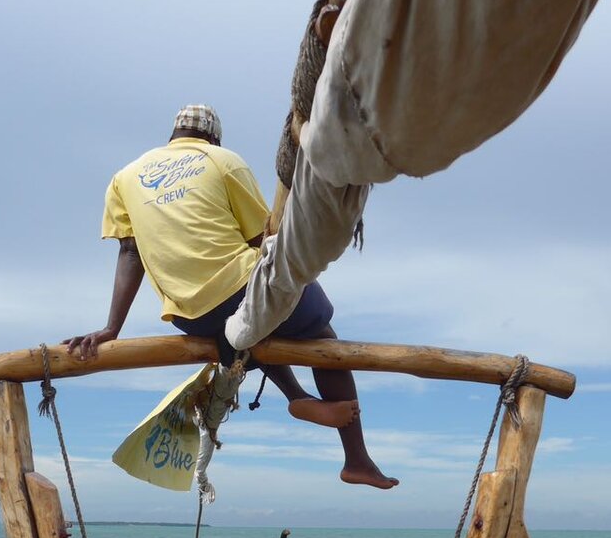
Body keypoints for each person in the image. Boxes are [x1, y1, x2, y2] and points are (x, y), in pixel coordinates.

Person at [63, 105, 397, 489]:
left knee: (249, 329)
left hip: (191, 315)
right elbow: (262, 238)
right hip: (241, 290)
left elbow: (129, 253)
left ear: (173, 136)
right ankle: (357, 459)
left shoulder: (123, 178)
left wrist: (111, 328)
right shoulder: (222, 160)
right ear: (213, 137)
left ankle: (296, 394)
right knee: (315, 326)